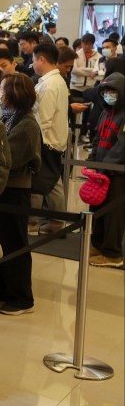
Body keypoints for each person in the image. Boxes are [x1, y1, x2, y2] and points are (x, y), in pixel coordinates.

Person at [0, 73, 42, 314]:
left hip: (15, 190)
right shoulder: (10, 118)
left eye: (3, 89)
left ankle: (21, 297)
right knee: (0, 240)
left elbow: (9, 158)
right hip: (3, 188)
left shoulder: (27, 124)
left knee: (15, 242)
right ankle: (1, 288)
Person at [30, 43, 70, 235]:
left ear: (41, 59)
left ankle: (32, 222)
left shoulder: (49, 84)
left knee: (39, 182)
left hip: (46, 140)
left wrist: (33, 139)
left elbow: (42, 119)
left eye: (33, 60)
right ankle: (56, 221)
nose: (32, 64)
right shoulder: (57, 80)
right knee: (53, 182)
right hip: (55, 139)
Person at [88, 71, 124, 268]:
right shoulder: (104, 111)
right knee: (97, 210)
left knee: (114, 215)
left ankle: (112, 254)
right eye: (106, 91)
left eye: (113, 91)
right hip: (101, 171)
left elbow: (122, 147)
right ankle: (98, 244)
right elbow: (96, 138)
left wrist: (104, 168)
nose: (109, 95)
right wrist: (93, 161)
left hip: (116, 174)